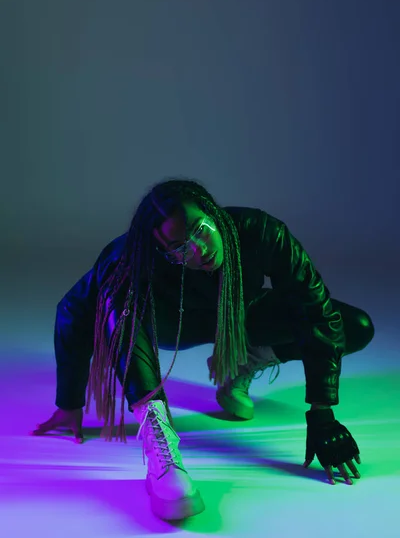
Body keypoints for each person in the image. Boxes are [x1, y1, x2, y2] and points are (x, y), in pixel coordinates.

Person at [31, 177, 374, 522]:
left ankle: (247, 360)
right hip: (169, 323)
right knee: (117, 298)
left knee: (352, 326)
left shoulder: (260, 231)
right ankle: (157, 438)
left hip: (239, 319)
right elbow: (72, 310)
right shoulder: (128, 256)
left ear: (213, 212)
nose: (198, 250)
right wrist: (69, 402)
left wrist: (322, 411)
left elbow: (316, 310)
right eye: (180, 248)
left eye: (200, 229)